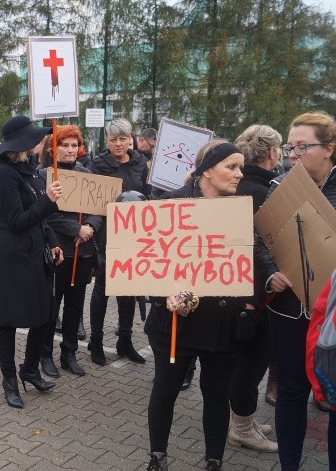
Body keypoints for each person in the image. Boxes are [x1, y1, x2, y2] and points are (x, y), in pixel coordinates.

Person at [256, 112, 336, 471]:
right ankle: (289, 465)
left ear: (330, 148)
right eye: (290, 148)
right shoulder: (281, 186)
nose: (293, 155)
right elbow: (262, 237)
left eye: (302, 147)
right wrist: (271, 274)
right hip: (291, 310)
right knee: (291, 390)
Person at [145, 140, 251, 471]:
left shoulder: (242, 208)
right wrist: (165, 294)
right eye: (231, 167)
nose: (239, 173)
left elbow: (253, 258)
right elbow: (144, 262)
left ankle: (213, 460)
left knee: (217, 394)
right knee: (165, 389)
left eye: (241, 167)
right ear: (207, 169)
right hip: (175, 323)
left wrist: (255, 295)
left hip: (223, 324)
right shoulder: (170, 203)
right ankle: (157, 456)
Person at [0, 115, 64, 409]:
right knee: (6, 322)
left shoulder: (28, 171)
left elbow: (38, 218)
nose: (39, 141)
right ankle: (9, 380)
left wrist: (53, 242)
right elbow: (18, 221)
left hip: (33, 254)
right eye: (34, 137)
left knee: (43, 315)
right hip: (9, 258)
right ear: (22, 143)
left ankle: (30, 369)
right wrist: (49, 201)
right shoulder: (4, 174)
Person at [223, 125, 283, 453]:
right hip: (256, 296)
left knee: (246, 360)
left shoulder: (245, 187)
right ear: (271, 152)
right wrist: (253, 299)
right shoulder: (259, 192)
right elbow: (254, 251)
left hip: (245, 293)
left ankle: (241, 419)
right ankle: (242, 428)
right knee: (251, 362)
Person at [37, 126, 102, 378]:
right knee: (51, 307)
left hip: (82, 251)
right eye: (65, 145)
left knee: (75, 307)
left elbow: (98, 207)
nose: (70, 150)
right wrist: (75, 228)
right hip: (59, 250)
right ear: (54, 148)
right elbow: (46, 213)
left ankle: (69, 353)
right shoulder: (44, 175)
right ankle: (45, 355)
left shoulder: (87, 173)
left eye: (74, 145)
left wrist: (89, 227)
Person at [87, 118, 152, 365]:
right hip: (107, 234)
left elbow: (147, 194)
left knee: (129, 290)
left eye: (123, 139)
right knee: (103, 287)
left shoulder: (140, 164)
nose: (118, 144)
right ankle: (96, 340)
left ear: (131, 138)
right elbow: (92, 200)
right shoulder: (97, 164)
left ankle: (124, 340)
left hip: (134, 235)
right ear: (107, 140)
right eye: (113, 139)